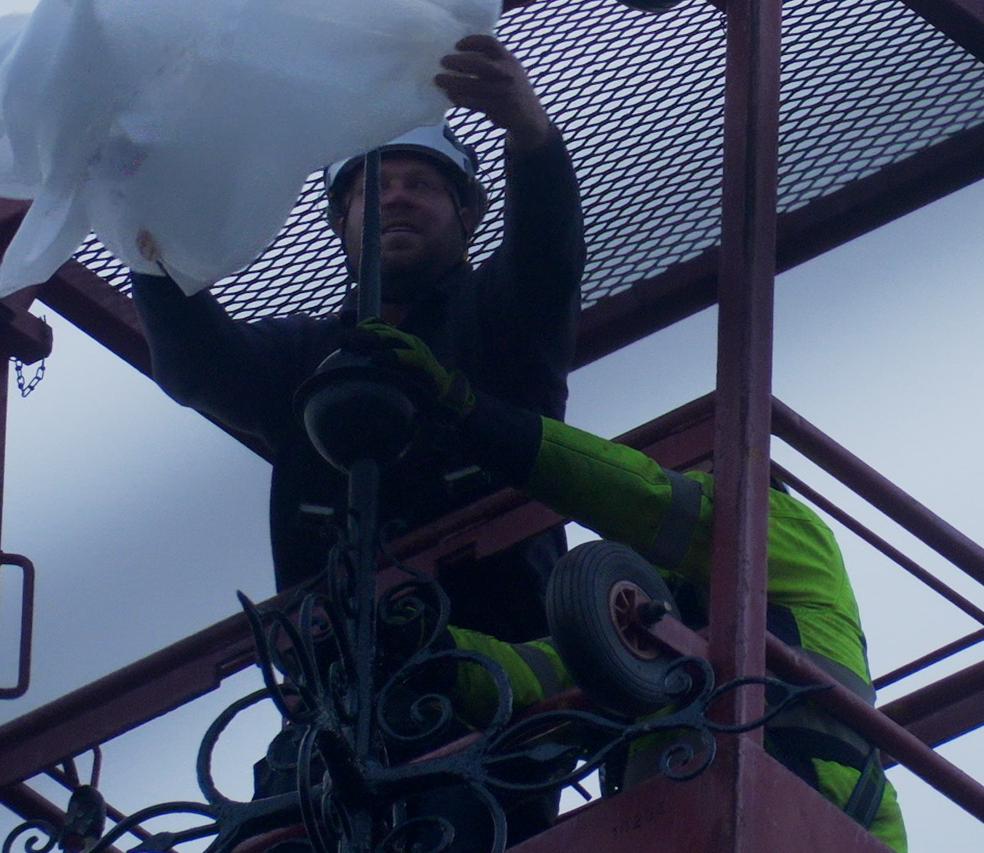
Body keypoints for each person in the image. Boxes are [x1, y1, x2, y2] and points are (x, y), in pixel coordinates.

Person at [353, 321, 909, 853]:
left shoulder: (785, 530)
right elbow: (538, 677)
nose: (693, 484)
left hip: (804, 823)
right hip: (690, 831)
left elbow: (642, 498)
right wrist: (433, 649)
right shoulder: (650, 626)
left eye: (703, 474)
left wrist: (474, 416)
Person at [129, 34, 585, 645]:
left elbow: (546, 255)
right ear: (339, 222)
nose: (396, 195)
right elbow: (197, 366)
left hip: (514, 658)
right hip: (345, 680)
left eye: (421, 185)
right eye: (376, 187)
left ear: (469, 216)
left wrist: (531, 135)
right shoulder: (302, 361)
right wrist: (151, 245)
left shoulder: (501, 321)